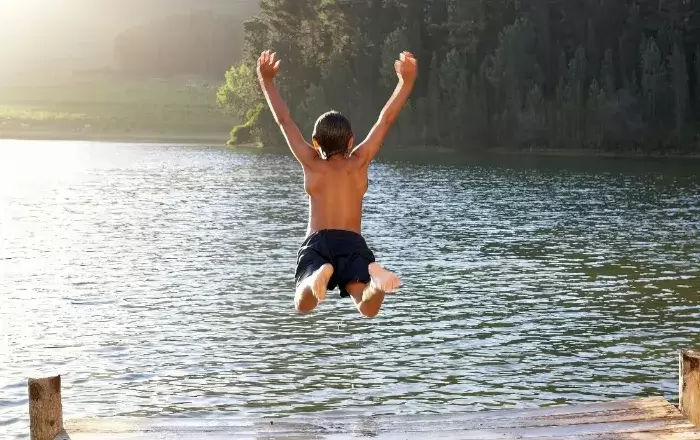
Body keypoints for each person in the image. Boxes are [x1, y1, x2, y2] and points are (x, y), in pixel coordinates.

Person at [257, 49, 417, 318]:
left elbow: (283, 120)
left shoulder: (312, 162)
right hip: (352, 243)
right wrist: (406, 82)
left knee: (303, 303)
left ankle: (316, 275)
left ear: (316, 142)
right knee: (367, 307)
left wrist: (267, 81)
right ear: (351, 141)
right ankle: (375, 285)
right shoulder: (359, 162)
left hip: (318, 242)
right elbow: (385, 119)